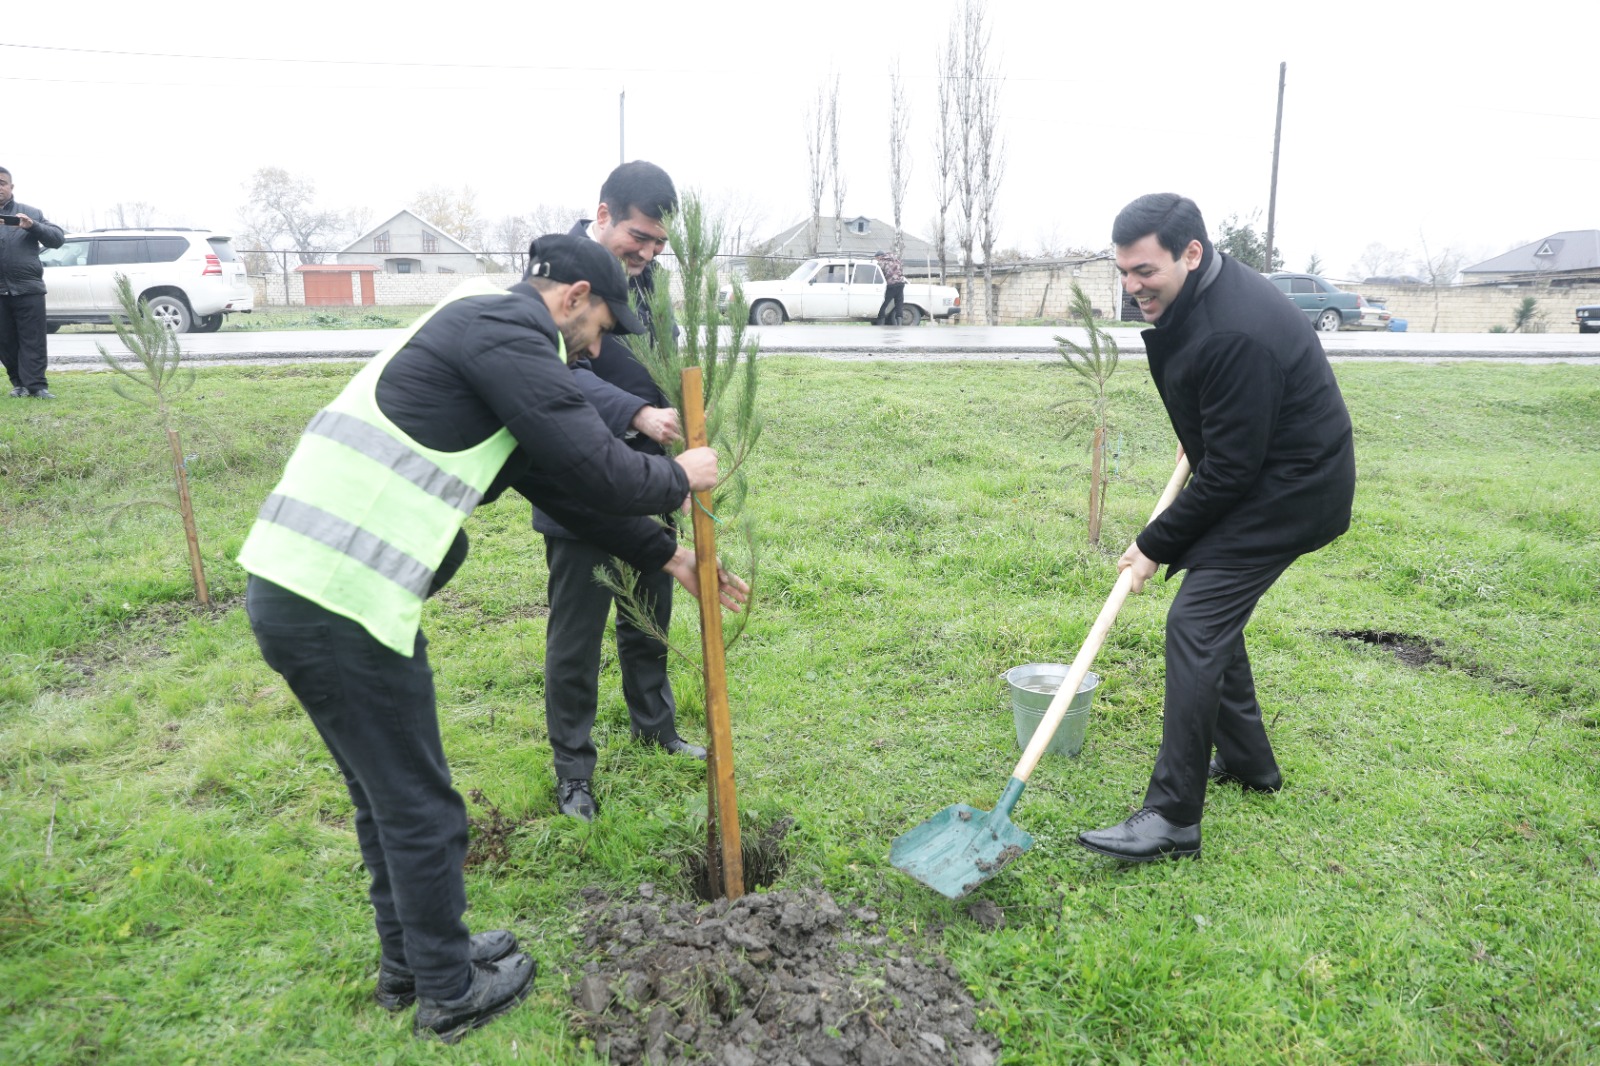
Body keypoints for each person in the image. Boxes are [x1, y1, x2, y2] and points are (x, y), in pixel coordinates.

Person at [238, 234, 747, 1043]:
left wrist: (669, 553)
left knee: (387, 796)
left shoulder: (479, 335)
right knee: (419, 804)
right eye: (602, 328)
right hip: (337, 596)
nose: (598, 349)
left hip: (312, 586)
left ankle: (412, 959)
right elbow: (595, 468)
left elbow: (558, 486)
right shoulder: (508, 333)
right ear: (575, 295)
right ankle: (447, 989)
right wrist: (677, 477)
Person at [1077, 193, 1356, 863]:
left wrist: (1151, 545)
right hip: (1268, 471)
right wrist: (1209, 437)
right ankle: (1251, 764)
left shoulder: (1235, 326)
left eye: (1145, 271)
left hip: (1293, 490)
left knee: (1195, 622)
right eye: (1123, 271)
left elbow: (1231, 475)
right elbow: (1228, 421)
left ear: (1191, 253)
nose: (1132, 286)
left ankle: (1173, 819)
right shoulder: (1208, 296)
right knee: (1211, 617)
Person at [526, 161, 698, 823]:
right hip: (579, 487)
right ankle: (574, 771)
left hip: (652, 479)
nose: (647, 252)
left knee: (649, 618)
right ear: (603, 215)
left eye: (658, 243)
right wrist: (634, 413)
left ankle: (654, 727)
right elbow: (552, 375)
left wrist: (680, 459)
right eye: (637, 236)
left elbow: (668, 370)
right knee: (576, 639)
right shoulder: (553, 277)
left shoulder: (652, 286)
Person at [0, 166, 65, 399]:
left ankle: (37, 386)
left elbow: (57, 239)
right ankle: (19, 384)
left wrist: (33, 226)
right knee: (5, 341)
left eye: (2, 183)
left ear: (11, 187)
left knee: (33, 339)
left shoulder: (30, 213)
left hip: (28, 288)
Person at [872, 249, 905, 326]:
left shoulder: (882, 262)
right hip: (901, 284)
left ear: (879, 256)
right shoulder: (897, 260)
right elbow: (901, 271)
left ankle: (881, 322)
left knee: (884, 304)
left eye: (876, 258)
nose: (876, 260)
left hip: (891, 285)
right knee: (899, 304)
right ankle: (899, 323)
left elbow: (878, 275)